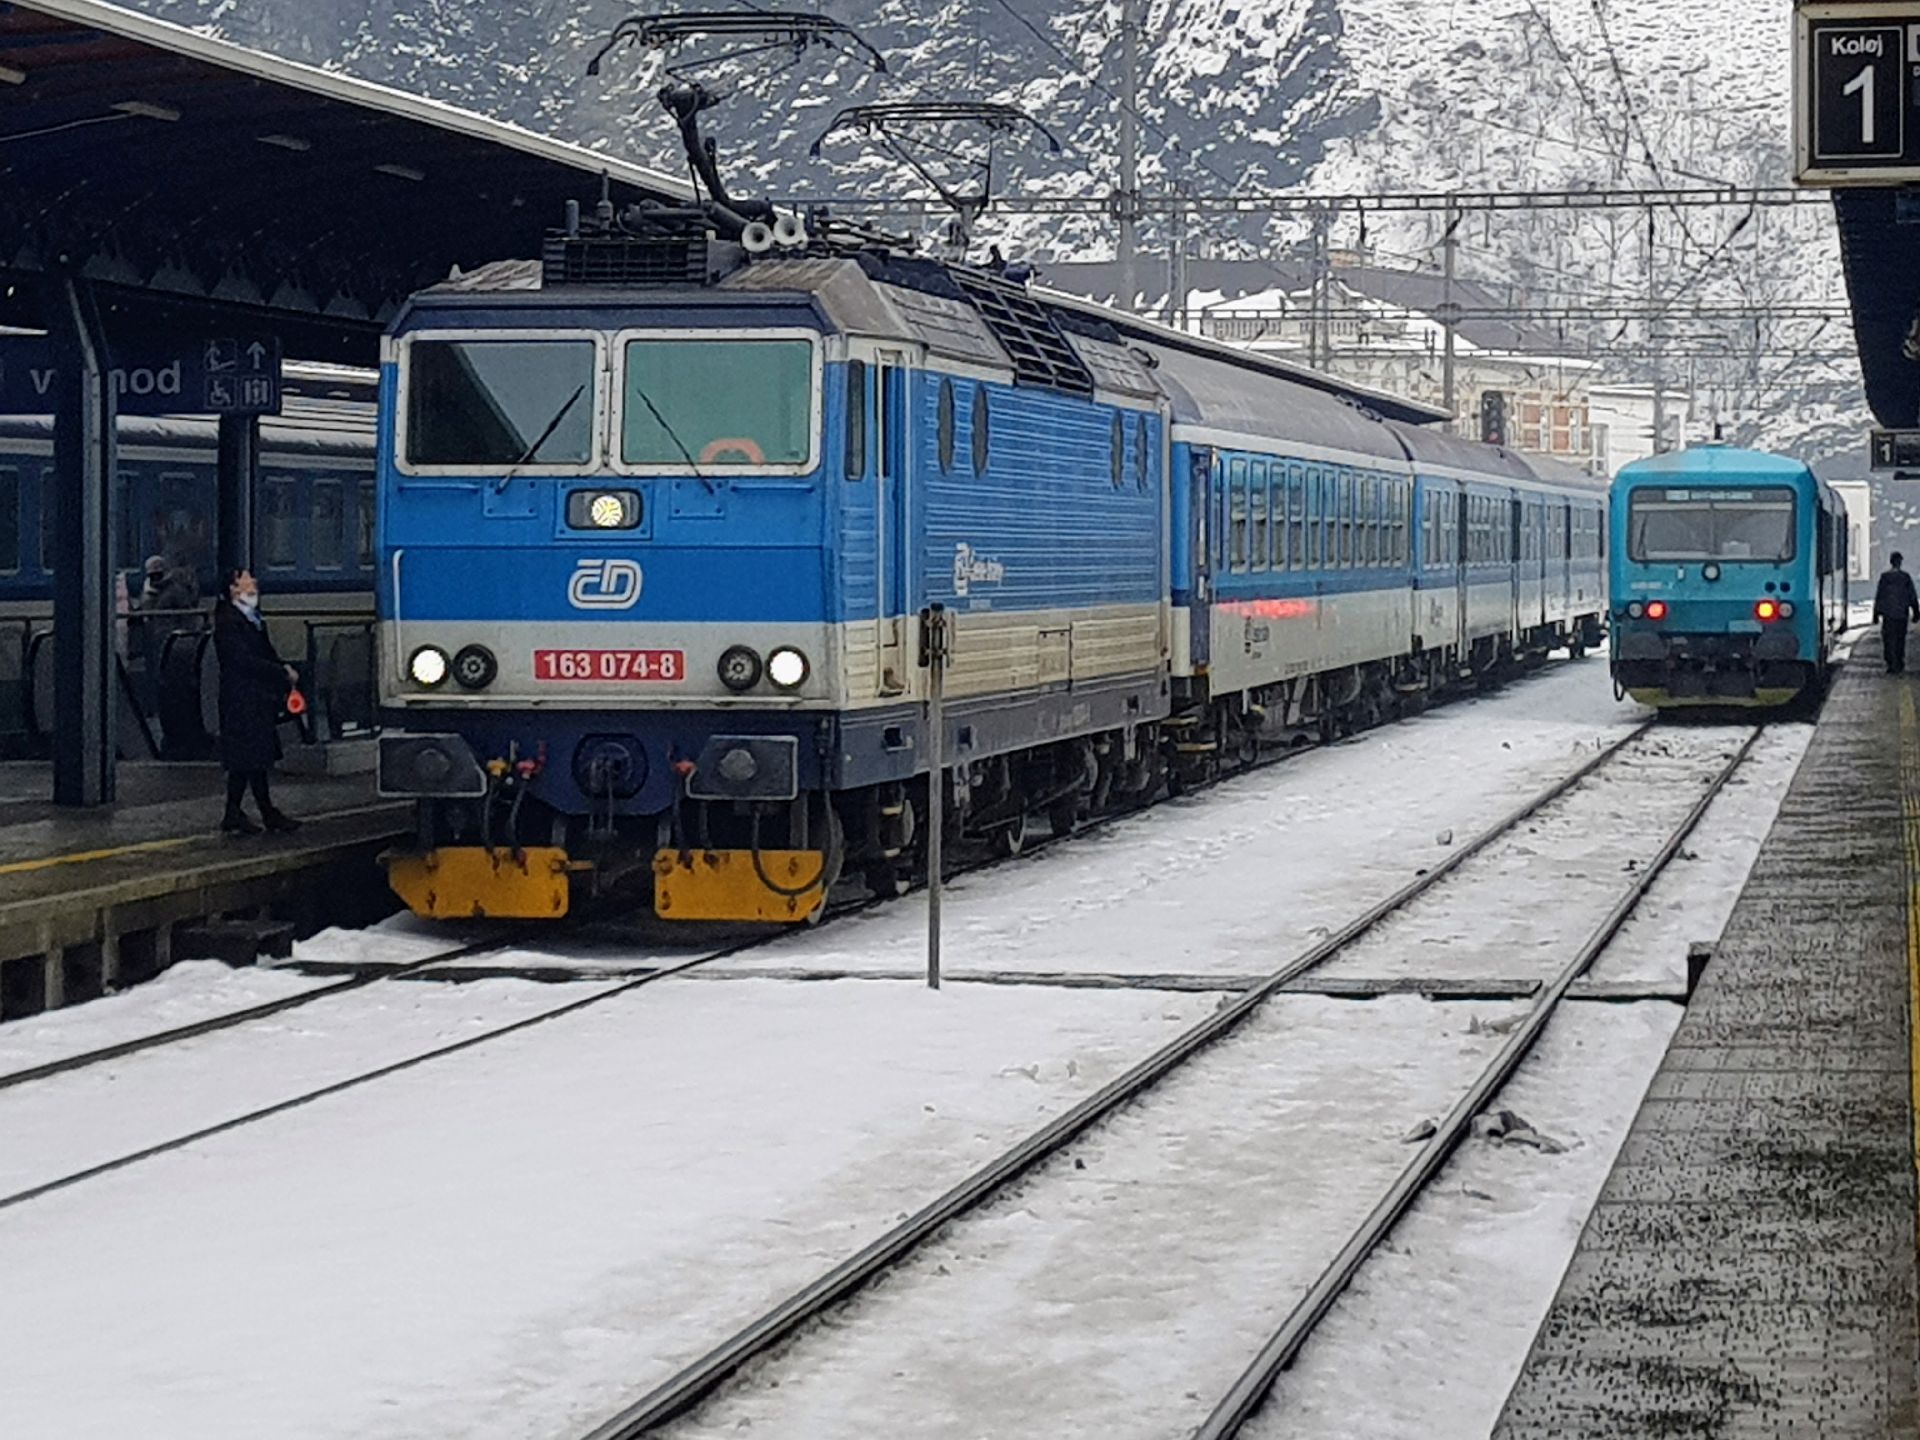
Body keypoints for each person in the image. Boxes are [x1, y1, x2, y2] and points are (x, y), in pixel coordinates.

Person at [212, 568, 300, 834]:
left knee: (251, 759)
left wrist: (283, 671)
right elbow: (241, 660)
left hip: (254, 697)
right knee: (250, 758)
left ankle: (243, 812)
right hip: (242, 699)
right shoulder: (229, 621)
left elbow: (264, 652)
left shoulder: (251, 620)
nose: (254, 586)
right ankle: (255, 812)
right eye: (247, 581)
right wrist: (280, 672)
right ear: (232, 588)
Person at [1874, 552, 1920, 675]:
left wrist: (1876, 614)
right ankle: (1899, 662)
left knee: (1888, 639)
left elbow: (1879, 596)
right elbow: (1912, 596)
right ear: (1900, 562)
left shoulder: (1885, 577)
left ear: (1891, 562)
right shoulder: (1905, 577)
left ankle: (1890, 663)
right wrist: (1916, 612)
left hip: (1888, 615)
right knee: (1900, 639)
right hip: (1902, 615)